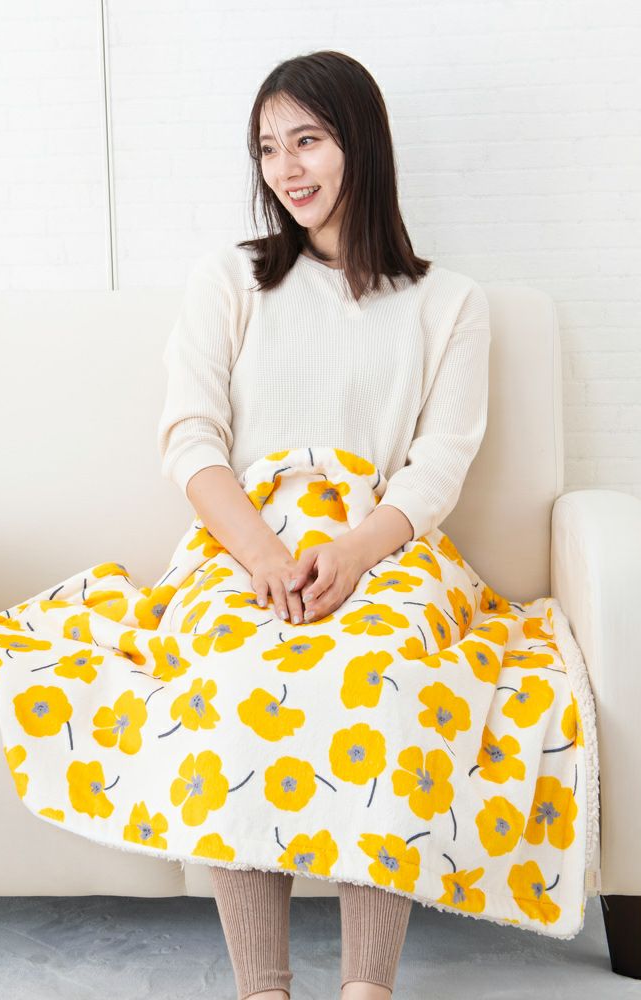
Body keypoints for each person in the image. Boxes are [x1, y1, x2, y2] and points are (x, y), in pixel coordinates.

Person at [157, 50, 491, 1000]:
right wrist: (263, 555)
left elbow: (439, 464)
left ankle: (366, 987)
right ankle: (263, 987)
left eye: (307, 140)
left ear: (361, 143)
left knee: (380, 677)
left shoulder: (450, 304)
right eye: (268, 148)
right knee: (235, 674)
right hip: (242, 539)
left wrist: (350, 552)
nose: (286, 168)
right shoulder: (231, 280)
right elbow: (189, 437)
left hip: (381, 540)